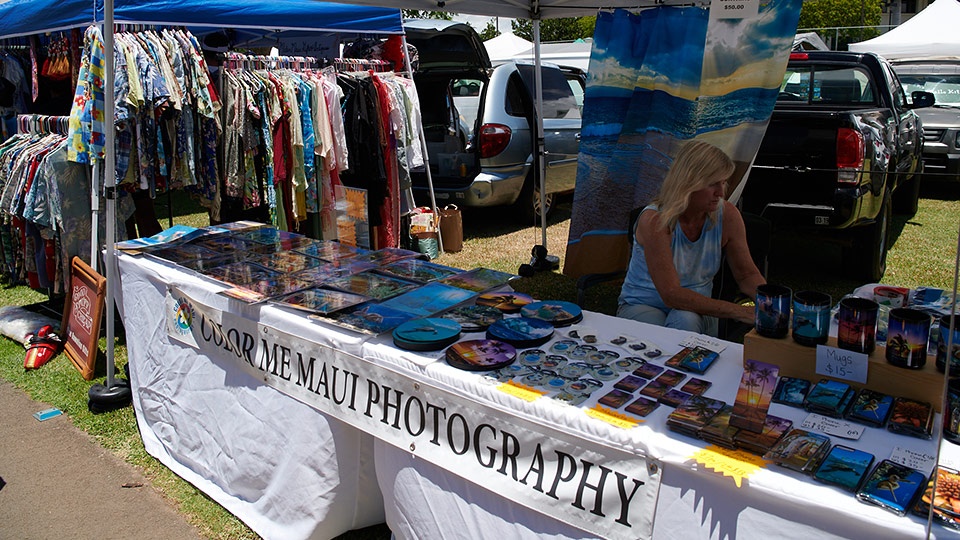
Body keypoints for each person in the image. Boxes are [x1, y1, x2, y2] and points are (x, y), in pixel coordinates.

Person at [617, 140, 766, 337]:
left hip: (697, 312)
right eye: (712, 183)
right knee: (670, 330)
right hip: (643, 304)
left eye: (723, 182)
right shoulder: (655, 220)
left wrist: (771, 305)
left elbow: (747, 275)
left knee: (686, 319)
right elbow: (671, 294)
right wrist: (738, 311)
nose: (721, 193)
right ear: (688, 183)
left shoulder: (728, 216)